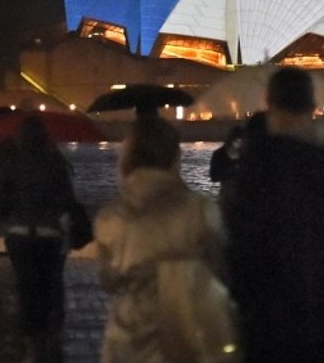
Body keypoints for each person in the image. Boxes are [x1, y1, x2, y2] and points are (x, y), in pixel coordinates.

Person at [225, 66, 324, 363]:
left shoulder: (260, 166)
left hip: (272, 320)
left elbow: (242, 248)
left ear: (270, 105)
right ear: (312, 108)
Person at [95, 115, 227, 363]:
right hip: (185, 330)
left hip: (129, 335)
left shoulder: (110, 217)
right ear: (174, 157)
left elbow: (108, 281)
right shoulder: (199, 209)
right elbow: (218, 268)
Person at [0, 116, 78, 363]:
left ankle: (32, 348)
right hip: (49, 233)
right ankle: (49, 339)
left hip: (19, 233)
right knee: (47, 286)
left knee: (25, 288)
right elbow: (68, 201)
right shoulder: (56, 162)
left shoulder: (11, 162)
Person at [209, 124, 244, 210]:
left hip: (243, 197)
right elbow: (214, 176)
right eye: (237, 142)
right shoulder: (219, 155)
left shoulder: (245, 154)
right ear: (231, 140)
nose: (239, 145)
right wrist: (234, 170)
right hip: (226, 197)